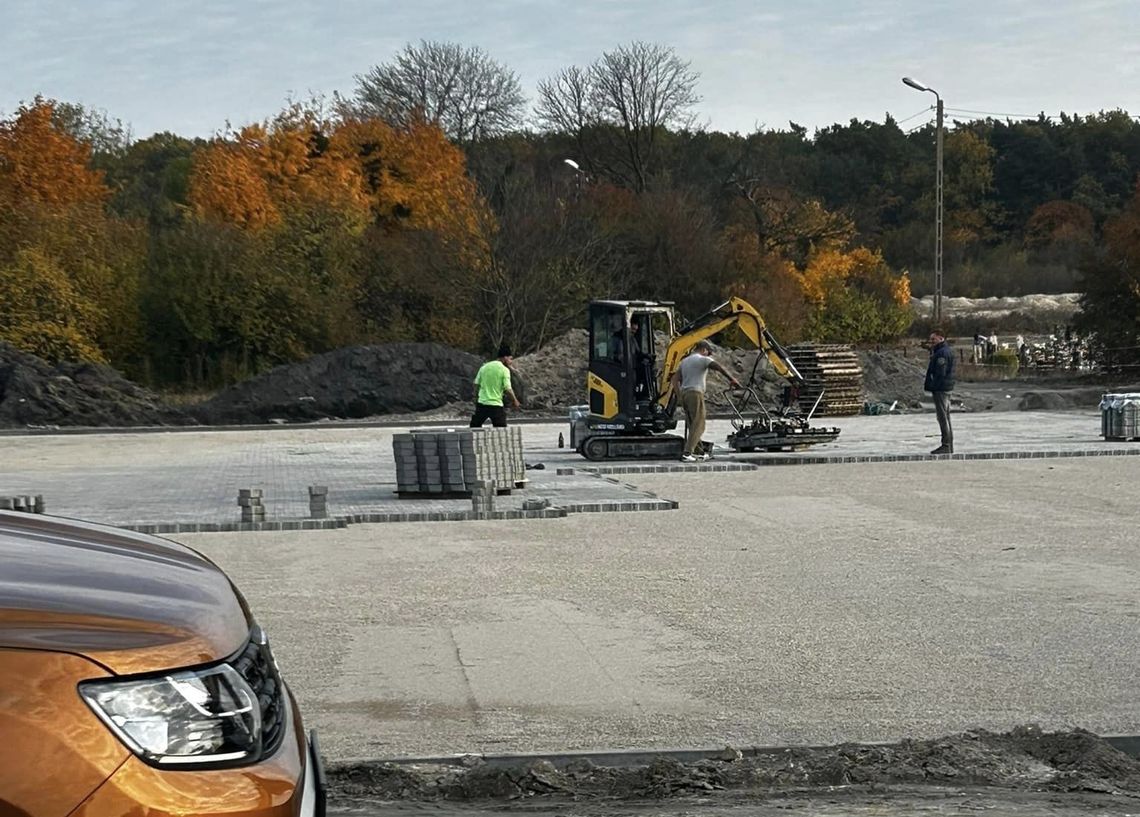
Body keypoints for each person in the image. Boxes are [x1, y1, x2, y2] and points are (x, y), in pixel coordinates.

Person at [670, 340, 740, 462]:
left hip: (685, 394)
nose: (708, 355)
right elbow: (718, 366)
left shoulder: (684, 362)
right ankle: (687, 453)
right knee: (699, 425)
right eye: (708, 353)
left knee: (692, 425)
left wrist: (679, 395)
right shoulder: (702, 359)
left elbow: (674, 379)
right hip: (695, 393)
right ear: (704, 350)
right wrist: (732, 379)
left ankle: (699, 452)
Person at [470, 344, 521, 428]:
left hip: (482, 404)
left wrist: (476, 397)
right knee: (501, 431)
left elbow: (476, 384)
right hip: (496, 405)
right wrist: (515, 400)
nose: (511, 362)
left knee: (474, 427)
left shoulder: (484, 367)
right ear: (505, 358)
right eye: (510, 359)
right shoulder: (504, 370)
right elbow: (508, 389)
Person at [924, 330, 956, 455]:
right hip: (945, 388)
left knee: (943, 418)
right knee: (946, 417)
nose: (931, 342)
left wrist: (933, 386)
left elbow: (940, 374)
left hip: (941, 389)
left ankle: (946, 445)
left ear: (941, 338)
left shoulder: (942, 353)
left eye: (934, 339)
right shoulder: (943, 351)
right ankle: (948, 445)